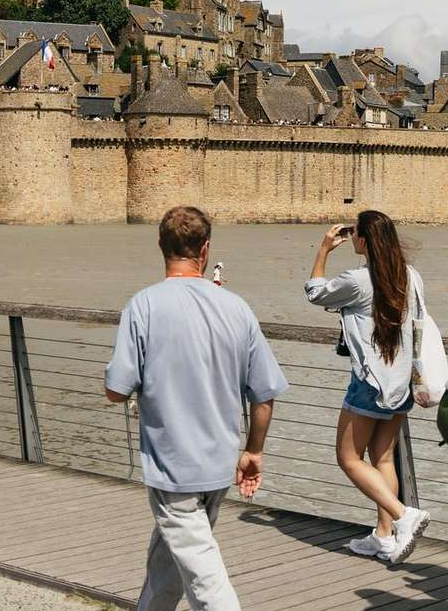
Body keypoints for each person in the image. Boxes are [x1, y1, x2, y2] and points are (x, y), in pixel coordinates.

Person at [106, 206, 287, 611]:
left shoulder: (144, 306)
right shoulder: (237, 307)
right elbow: (264, 394)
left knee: (204, 576)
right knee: (172, 557)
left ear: (160, 246)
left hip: (173, 468)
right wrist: (254, 451)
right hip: (219, 465)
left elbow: (116, 391)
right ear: (205, 250)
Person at [305, 211, 431, 564]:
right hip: (403, 384)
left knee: (348, 458)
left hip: (370, 384)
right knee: (383, 457)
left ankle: (404, 515)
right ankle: (384, 535)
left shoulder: (359, 281)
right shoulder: (412, 277)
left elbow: (315, 293)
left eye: (355, 233)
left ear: (363, 240)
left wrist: (324, 250)